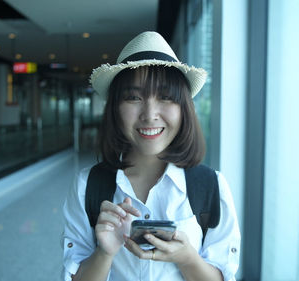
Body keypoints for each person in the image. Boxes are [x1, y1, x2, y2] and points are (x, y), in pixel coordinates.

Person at [62, 31, 240, 281]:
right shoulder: (88, 186)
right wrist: (104, 252)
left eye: (166, 97)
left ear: (183, 108)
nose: (149, 114)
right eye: (134, 97)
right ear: (115, 107)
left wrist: (187, 257)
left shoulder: (210, 186)